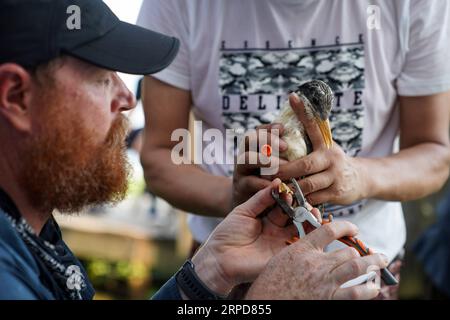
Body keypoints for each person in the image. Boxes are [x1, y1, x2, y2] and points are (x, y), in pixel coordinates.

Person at [0, 0, 387, 300]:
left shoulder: (30, 234)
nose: (126, 98)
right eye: (102, 78)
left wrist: (206, 273)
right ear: (16, 95)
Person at [137, 0, 450, 298]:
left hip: (364, 270)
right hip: (229, 269)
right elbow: (159, 155)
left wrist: (359, 177)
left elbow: (434, 152)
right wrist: (235, 198)